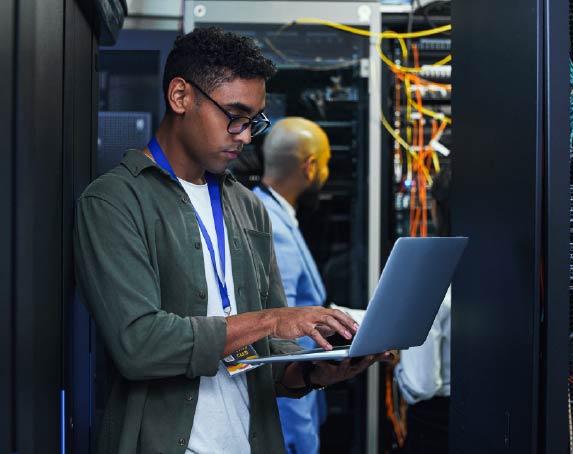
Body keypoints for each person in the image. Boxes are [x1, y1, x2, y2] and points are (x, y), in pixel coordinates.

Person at [74, 27, 392, 454]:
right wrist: (271, 319)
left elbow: (267, 361)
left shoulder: (247, 207)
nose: (245, 136)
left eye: (254, 121)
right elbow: (139, 346)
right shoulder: (114, 201)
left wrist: (319, 371)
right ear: (181, 96)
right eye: (236, 116)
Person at [252, 117, 332, 454]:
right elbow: (284, 338)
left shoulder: (267, 212)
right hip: (289, 419)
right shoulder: (273, 227)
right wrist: (300, 438)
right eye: (326, 164)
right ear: (310, 167)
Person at [394, 169, 452, 454]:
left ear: (435, 207)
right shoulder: (517, 271)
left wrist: (397, 358)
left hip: (438, 432)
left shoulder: (428, 279)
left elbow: (421, 385)